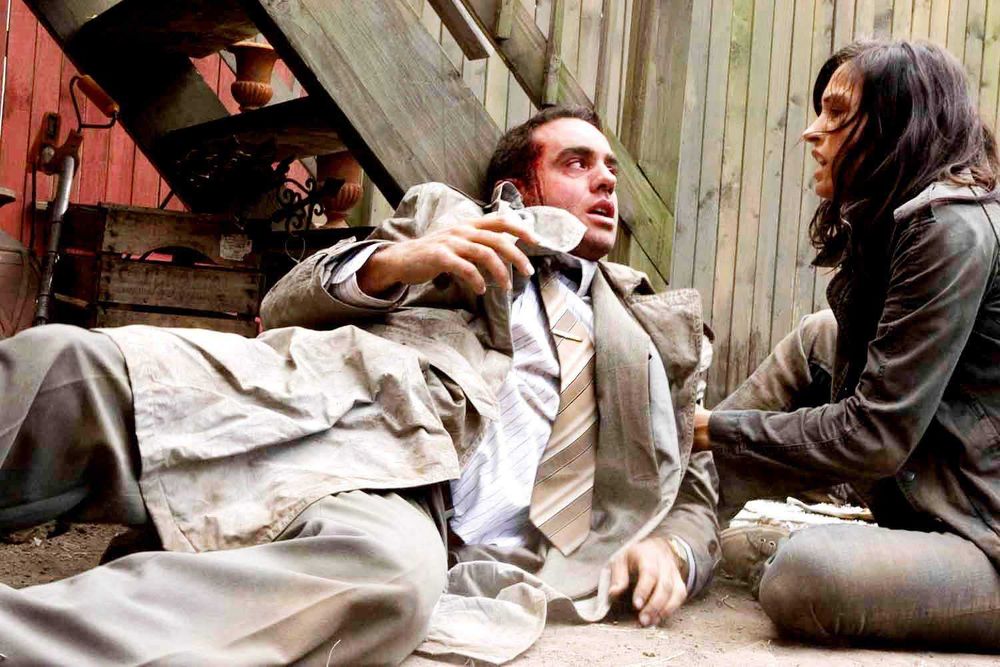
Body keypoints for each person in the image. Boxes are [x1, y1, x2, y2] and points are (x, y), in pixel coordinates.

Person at [0, 105, 719, 665]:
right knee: (72, 365)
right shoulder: (448, 220)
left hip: (413, 508)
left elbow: (696, 482)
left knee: (390, 578)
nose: (606, 180)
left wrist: (676, 550)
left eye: (610, 168)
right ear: (518, 187)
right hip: (337, 411)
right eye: (577, 162)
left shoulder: (657, 330)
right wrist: (396, 263)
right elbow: (285, 303)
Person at [694, 40, 1000, 649]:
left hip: (983, 536)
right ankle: (680, 518)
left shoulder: (952, 228)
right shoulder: (900, 217)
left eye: (836, 113)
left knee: (803, 576)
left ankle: (704, 517)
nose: (812, 132)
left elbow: (873, 436)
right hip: (937, 495)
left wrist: (709, 429)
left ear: (899, 125)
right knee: (818, 335)